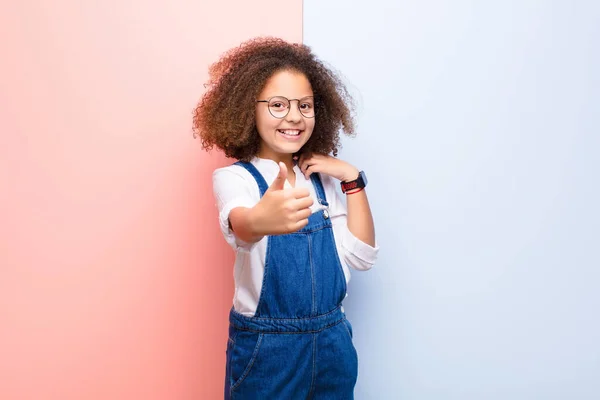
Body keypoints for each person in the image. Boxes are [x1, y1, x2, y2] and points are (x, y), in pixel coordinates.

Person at [193, 37, 379, 399]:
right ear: (249, 109)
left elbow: (362, 256)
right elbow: (241, 225)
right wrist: (264, 218)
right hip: (269, 349)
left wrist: (351, 179)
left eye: (304, 105)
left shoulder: (322, 179)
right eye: (278, 105)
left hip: (332, 343)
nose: (294, 116)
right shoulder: (236, 179)